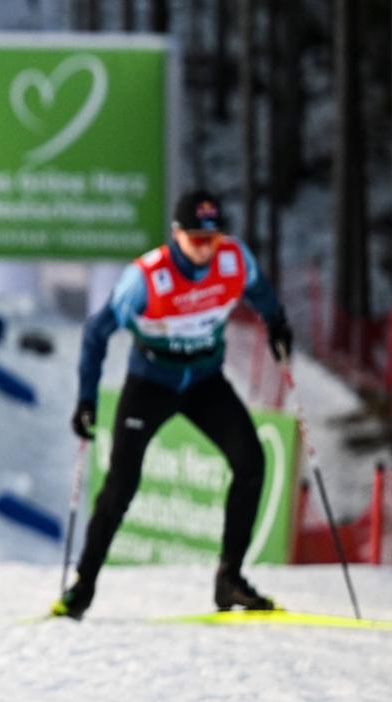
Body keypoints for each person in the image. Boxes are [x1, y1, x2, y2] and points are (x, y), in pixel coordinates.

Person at [55, 190, 294, 620]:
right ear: (176, 234)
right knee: (121, 483)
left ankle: (230, 579)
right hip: (152, 383)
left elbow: (258, 290)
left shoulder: (233, 259)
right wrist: (86, 399)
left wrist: (276, 321)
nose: (206, 248)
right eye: (197, 239)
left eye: (212, 238)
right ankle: (83, 586)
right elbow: (96, 333)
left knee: (251, 462)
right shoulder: (146, 278)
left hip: (205, 381)